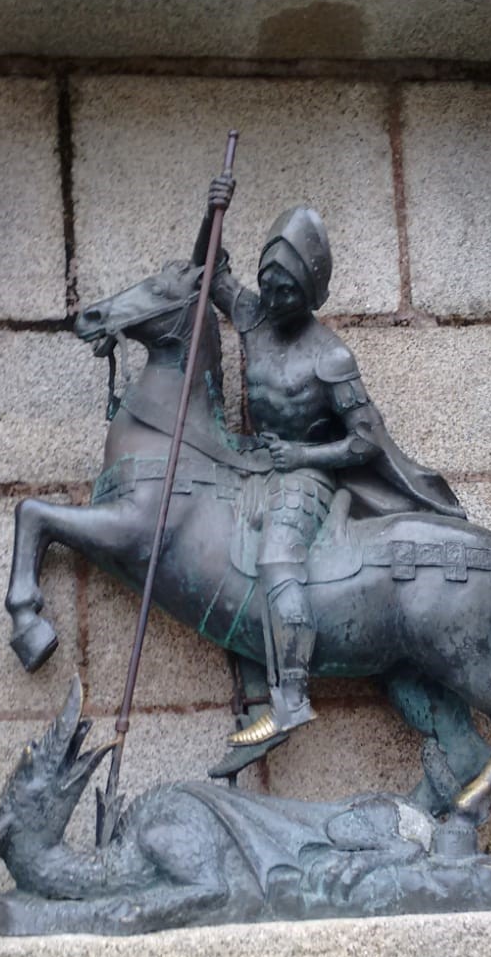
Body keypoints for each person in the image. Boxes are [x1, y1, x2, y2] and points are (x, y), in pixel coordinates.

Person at [192, 174, 464, 747]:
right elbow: (209, 274)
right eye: (268, 284)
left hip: (307, 476)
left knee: (277, 561)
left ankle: (291, 697)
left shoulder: (331, 358)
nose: (273, 299)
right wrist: (210, 215)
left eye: (286, 291)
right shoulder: (252, 315)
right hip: (249, 465)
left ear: (311, 292)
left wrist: (302, 454)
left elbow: (365, 442)